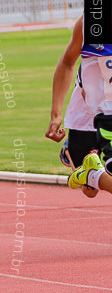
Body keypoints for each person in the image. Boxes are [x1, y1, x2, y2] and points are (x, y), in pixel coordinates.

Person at [47, 16, 99, 197]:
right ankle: (78, 161)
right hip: (87, 117)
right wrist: (56, 115)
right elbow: (68, 61)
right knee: (90, 190)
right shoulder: (89, 21)